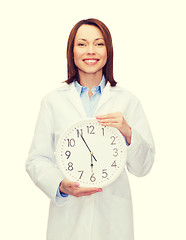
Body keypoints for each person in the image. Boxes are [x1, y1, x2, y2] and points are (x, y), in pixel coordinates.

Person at [26, 18, 155, 240]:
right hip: (68, 220)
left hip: (113, 219)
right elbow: (36, 160)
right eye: (82, 44)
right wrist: (61, 185)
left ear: (108, 50)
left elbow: (143, 166)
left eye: (99, 43)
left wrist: (128, 132)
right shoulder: (53, 101)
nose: (90, 51)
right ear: (72, 51)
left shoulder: (127, 101)